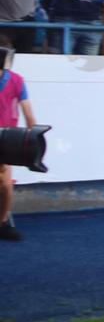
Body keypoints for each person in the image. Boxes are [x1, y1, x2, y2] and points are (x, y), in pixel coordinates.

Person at [0, 33, 37, 240]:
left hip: (5, 140)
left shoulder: (17, 81)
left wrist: (34, 135)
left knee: (6, 185)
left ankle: (2, 222)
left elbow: (28, 114)